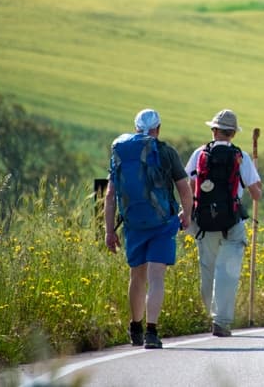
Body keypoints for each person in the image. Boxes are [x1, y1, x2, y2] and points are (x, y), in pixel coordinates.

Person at [104, 108, 193, 349]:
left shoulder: (121, 152)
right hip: (163, 223)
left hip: (133, 224)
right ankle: (151, 332)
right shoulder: (166, 152)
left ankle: (135, 328)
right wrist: (186, 214)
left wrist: (109, 231)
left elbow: (110, 195)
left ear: (136, 128)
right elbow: (184, 189)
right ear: (158, 129)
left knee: (137, 276)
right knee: (156, 277)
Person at [186, 108, 263, 337]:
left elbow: (188, 186)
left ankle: (209, 315)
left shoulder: (200, 154)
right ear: (233, 133)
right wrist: (256, 183)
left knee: (208, 269)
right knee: (227, 273)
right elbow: (257, 195)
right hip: (231, 222)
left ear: (214, 130)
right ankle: (220, 321)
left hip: (204, 221)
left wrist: (188, 213)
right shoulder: (241, 156)